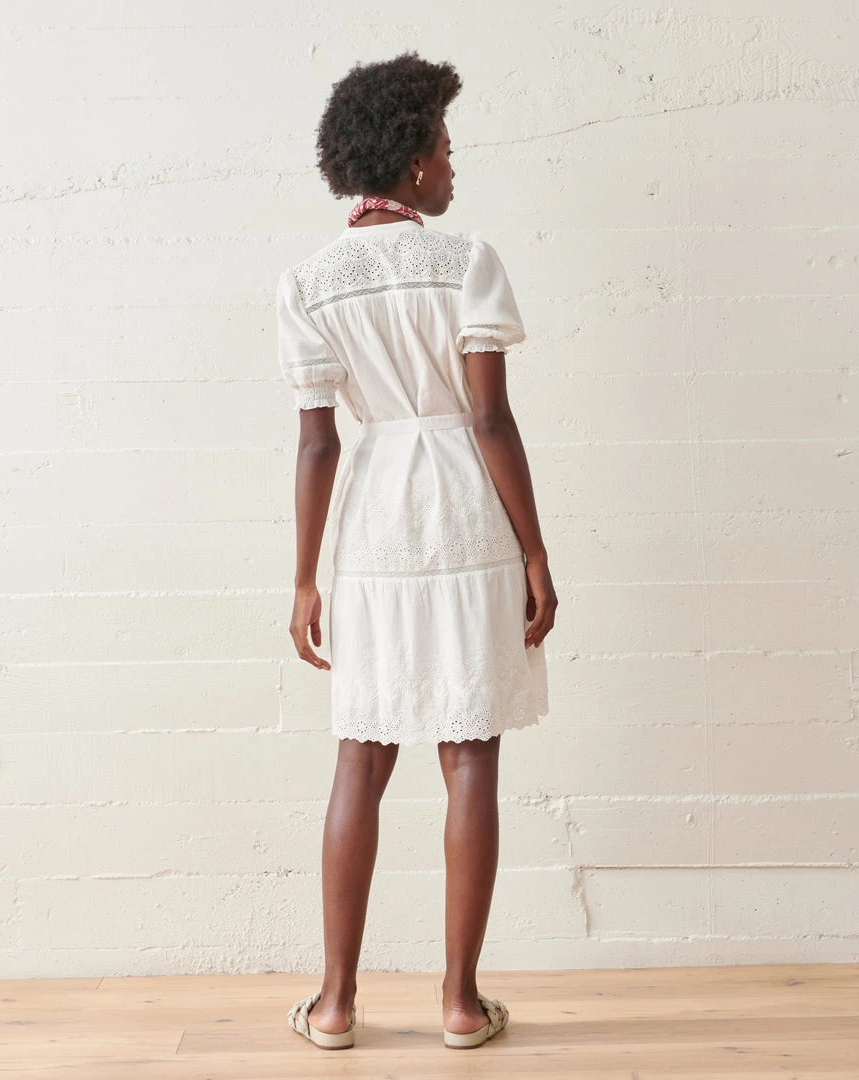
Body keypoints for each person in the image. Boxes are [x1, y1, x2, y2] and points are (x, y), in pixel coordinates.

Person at [276, 51, 558, 1051]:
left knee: (362, 753)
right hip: (466, 514)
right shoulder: (468, 261)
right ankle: (460, 1004)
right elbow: (490, 420)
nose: (452, 163)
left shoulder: (308, 284)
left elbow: (318, 444)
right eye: (443, 145)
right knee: (469, 751)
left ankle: (334, 1004)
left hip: (375, 525)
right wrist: (535, 553)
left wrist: (304, 578)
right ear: (407, 161)